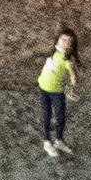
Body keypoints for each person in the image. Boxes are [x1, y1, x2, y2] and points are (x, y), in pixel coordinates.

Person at [36, 28, 79, 157]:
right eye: (63, 39)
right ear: (58, 39)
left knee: (60, 117)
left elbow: (72, 75)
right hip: (43, 88)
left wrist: (72, 86)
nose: (64, 42)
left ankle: (58, 141)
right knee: (46, 115)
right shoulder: (53, 51)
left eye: (67, 41)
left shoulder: (67, 59)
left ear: (71, 45)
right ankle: (47, 141)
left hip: (57, 92)